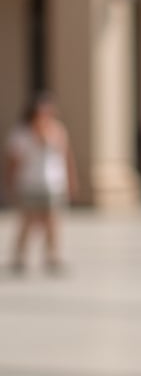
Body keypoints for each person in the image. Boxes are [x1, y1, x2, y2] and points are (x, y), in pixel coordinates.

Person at [4, 92, 78, 273]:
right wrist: (9, 184)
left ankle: (52, 256)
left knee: (52, 221)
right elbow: (13, 163)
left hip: (53, 183)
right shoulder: (21, 134)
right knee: (28, 221)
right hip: (30, 183)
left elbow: (67, 157)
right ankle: (20, 256)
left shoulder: (58, 130)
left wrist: (71, 180)